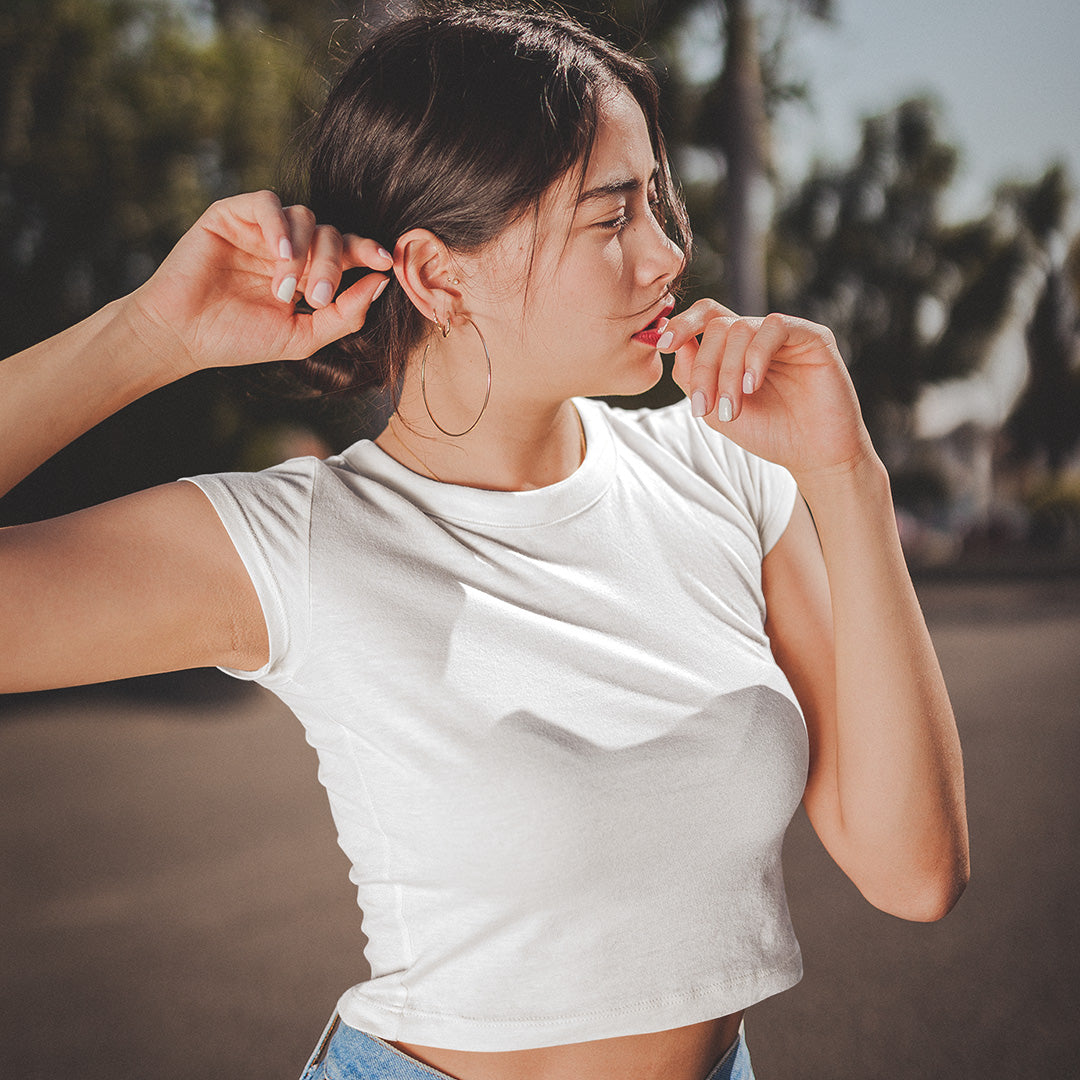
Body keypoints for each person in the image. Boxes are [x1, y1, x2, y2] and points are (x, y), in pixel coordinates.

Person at [0, 6, 968, 1080]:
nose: (668, 253)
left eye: (656, 198)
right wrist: (150, 336)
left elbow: (915, 873)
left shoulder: (725, 473)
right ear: (437, 272)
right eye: (611, 219)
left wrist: (848, 474)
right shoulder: (301, 543)